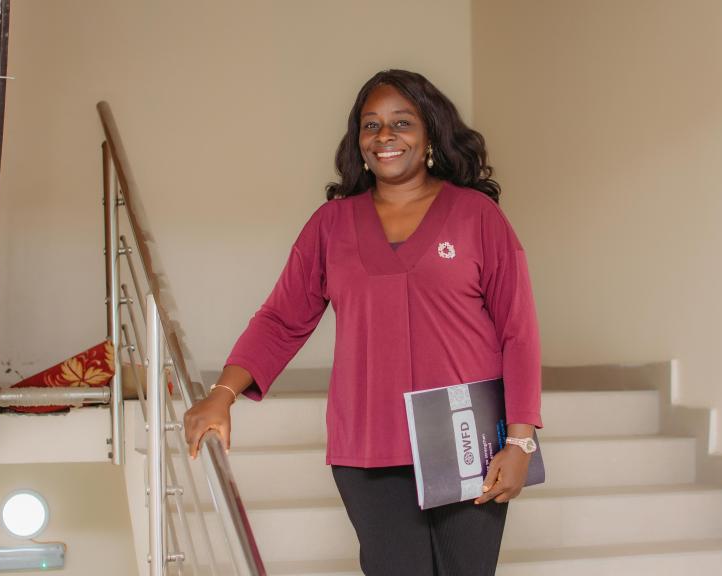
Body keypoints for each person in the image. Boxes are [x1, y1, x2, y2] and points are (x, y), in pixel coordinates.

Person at [184, 69, 542, 576]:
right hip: (370, 443)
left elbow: (518, 331)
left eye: (402, 122)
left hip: (467, 437)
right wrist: (222, 394)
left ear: (431, 134)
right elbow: (282, 319)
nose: (385, 136)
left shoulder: (476, 216)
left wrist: (521, 439)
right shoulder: (330, 226)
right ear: (358, 141)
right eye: (370, 125)